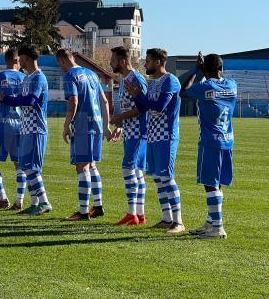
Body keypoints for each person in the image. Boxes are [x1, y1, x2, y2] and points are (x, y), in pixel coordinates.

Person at [125, 48, 184, 233]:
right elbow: (146, 106)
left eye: (148, 61)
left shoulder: (171, 80)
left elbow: (159, 107)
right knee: (158, 178)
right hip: (152, 135)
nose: (145, 64)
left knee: (167, 177)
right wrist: (137, 96)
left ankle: (179, 221)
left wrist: (138, 95)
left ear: (158, 62)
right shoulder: (152, 83)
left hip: (166, 135)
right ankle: (167, 219)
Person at [181, 52, 237, 239]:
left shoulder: (204, 86)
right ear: (221, 68)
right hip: (227, 139)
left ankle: (218, 227)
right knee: (217, 181)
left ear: (206, 69)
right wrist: (205, 70)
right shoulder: (232, 84)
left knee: (209, 183)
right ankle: (211, 221)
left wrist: (197, 69)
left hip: (210, 140)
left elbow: (184, 90)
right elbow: (214, 89)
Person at [0, 45, 52, 216]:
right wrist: (5, 99)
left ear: (26, 58)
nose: (19, 61)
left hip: (36, 128)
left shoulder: (38, 78)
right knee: (26, 167)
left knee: (31, 167)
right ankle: (35, 203)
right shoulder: (27, 78)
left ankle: (44, 202)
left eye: (21, 58)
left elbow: (30, 100)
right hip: (25, 127)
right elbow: (20, 98)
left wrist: (7, 100)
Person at [57, 49, 112, 221]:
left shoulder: (70, 76)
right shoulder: (92, 74)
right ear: (73, 58)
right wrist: (106, 125)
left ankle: (82, 212)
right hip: (96, 124)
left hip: (82, 125)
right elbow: (104, 100)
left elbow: (73, 101)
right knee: (92, 165)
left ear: (61, 62)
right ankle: (98, 206)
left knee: (82, 167)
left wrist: (66, 125)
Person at [109, 46, 149, 226]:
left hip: (139, 132)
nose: (110, 63)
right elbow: (129, 107)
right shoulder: (124, 79)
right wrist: (121, 126)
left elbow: (142, 108)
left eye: (113, 60)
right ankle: (139, 215)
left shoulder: (136, 79)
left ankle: (131, 213)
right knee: (137, 172)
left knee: (128, 169)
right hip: (130, 131)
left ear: (123, 61)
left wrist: (120, 118)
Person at [0, 48, 27, 212]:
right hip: (22, 124)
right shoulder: (25, 78)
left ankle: (2, 198)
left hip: (3, 124)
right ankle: (19, 201)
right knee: (19, 165)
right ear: (17, 60)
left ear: (6, 60)